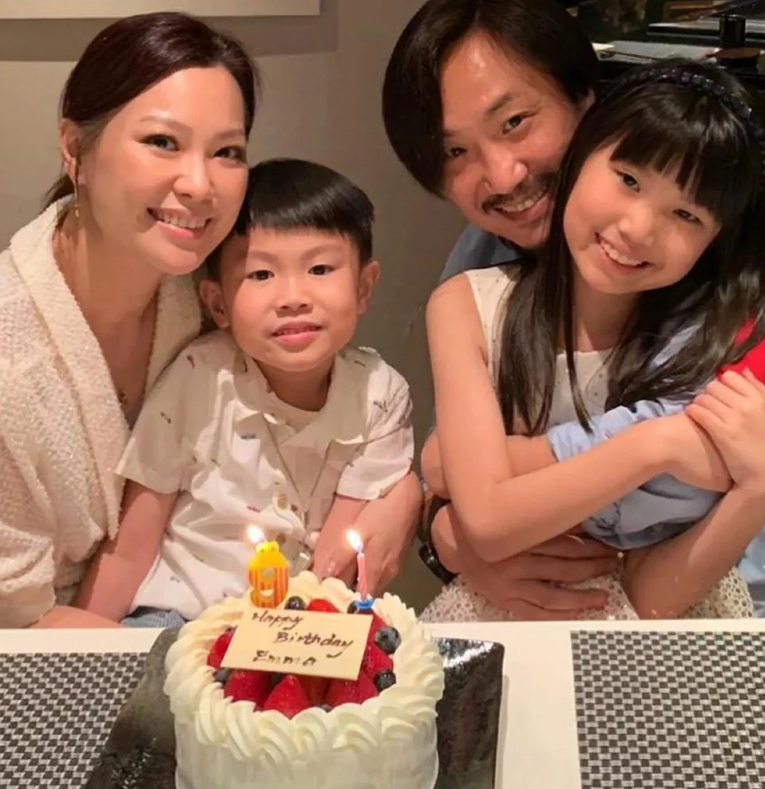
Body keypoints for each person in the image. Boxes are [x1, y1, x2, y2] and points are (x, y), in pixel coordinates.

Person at [382, 0, 765, 617]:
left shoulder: (723, 314)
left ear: (587, 104)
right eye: (455, 153)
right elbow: (449, 469)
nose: (502, 176)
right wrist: (449, 532)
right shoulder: (479, 276)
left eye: (514, 122)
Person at [74, 159, 420, 627]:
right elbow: (132, 543)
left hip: (300, 619)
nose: (293, 297)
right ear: (218, 303)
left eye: (320, 268)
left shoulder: (379, 396)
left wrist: (291, 641)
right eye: (261, 275)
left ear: (363, 287)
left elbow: (333, 564)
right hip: (181, 615)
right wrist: (83, 640)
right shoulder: (200, 378)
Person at [0, 12, 260, 630]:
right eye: (163, 142)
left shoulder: (213, 300)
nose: (199, 184)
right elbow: (17, 623)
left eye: (227, 152)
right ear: (75, 150)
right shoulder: (11, 361)